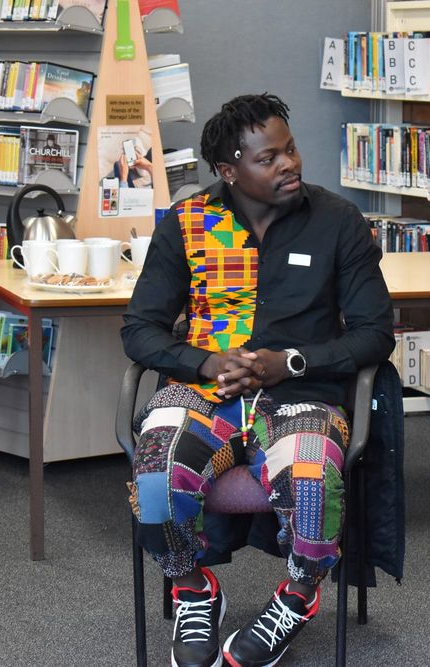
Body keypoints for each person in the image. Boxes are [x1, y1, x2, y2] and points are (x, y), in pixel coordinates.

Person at [121, 93, 395, 667]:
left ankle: (297, 597)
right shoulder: (190, 224)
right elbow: (139, 330)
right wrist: (204, 362)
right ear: (229, 170)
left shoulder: (338, 222)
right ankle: (193, 588)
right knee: (153, 475)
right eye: (268, 158)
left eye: (290, 150)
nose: (289, 164)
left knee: (313, 478)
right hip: (203, 391)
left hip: (301, 394)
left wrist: (289, 361)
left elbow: (374, 335)